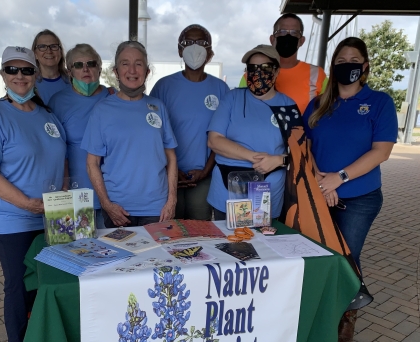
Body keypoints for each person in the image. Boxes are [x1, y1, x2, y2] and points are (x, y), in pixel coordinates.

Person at [0, 46, 67, 342]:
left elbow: (62, 161)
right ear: (3, 75)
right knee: (19, 284)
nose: (20, 76)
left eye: (26, 70)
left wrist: (61, 199)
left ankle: (43, 341)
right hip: (10, 219)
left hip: (49, 216)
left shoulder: (47, 115)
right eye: (12, 70)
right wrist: (27, 203)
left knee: (47, 282)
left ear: (36, 74)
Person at [304, 37, 397, 342]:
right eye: (341, 61)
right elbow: (304, 146)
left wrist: (339, 179)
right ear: (333, 66)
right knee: (320, 256)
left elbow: (381, 151)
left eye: (354, 60)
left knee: (346, 256)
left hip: (360, 197)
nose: (347, 66)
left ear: (365, 66)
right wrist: (321, 180)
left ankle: (346, 314)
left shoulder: (380, 102)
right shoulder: (318, 104)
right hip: (320, 192)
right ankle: (320, 313)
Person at [81, 41, 177, 228]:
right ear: (116, 71)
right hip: (118, 209)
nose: (132, 70)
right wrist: (106, 204)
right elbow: (92, 163)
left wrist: (172, 201)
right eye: (125, 64)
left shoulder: (158, 107)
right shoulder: (102, 110)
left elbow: (171, 158)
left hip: (157, 209)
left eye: (138, 64)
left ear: (147, 71)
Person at [150, 24, 229, 220]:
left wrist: (206, 171)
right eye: (188, 42)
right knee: (169, 230)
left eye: (201, 42)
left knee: (199, 230)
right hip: (167, 175)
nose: (195, 47)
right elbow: (152, 133)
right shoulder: (163, 86)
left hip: (203, 177)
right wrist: (171, 169)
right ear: (179, 50)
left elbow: (224, 136)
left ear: (210, 53)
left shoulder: (221, 89)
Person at [207, 45, 293, 221]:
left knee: (264, 237)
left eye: (265, 68)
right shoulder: (232, 98)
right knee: (226, 237)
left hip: (268, 188)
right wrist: (253, 157)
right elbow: (214, 140)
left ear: (276, 71)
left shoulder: (287, 106)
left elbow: (301, 152)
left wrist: (278, 160)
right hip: (227, 184)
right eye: (252, 68)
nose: (258, 73)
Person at [49, 44, 112, 229]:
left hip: (112, 192)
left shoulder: (113, 97)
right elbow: (52, 148)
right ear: (70, 71)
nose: (85, 69)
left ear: (99, 68)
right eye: (78, 65)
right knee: (74, 244)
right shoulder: (58, 102)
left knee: (111, 244)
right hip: (72, 192)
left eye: (91, 63)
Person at [239, 13, 326, 114]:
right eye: (282, 32)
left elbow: (329, 110)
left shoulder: (317, 74)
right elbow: (240, 108)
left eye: (294, 32)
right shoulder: (252, 74)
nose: (288, 36)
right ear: (272, 39)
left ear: (301, 41)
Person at [31, 29, 70, 104]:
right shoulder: (29, 83)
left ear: (60, 52)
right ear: (35, 54)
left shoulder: (73, 81)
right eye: (42, 47)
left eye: (53, 46)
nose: (49, 51)